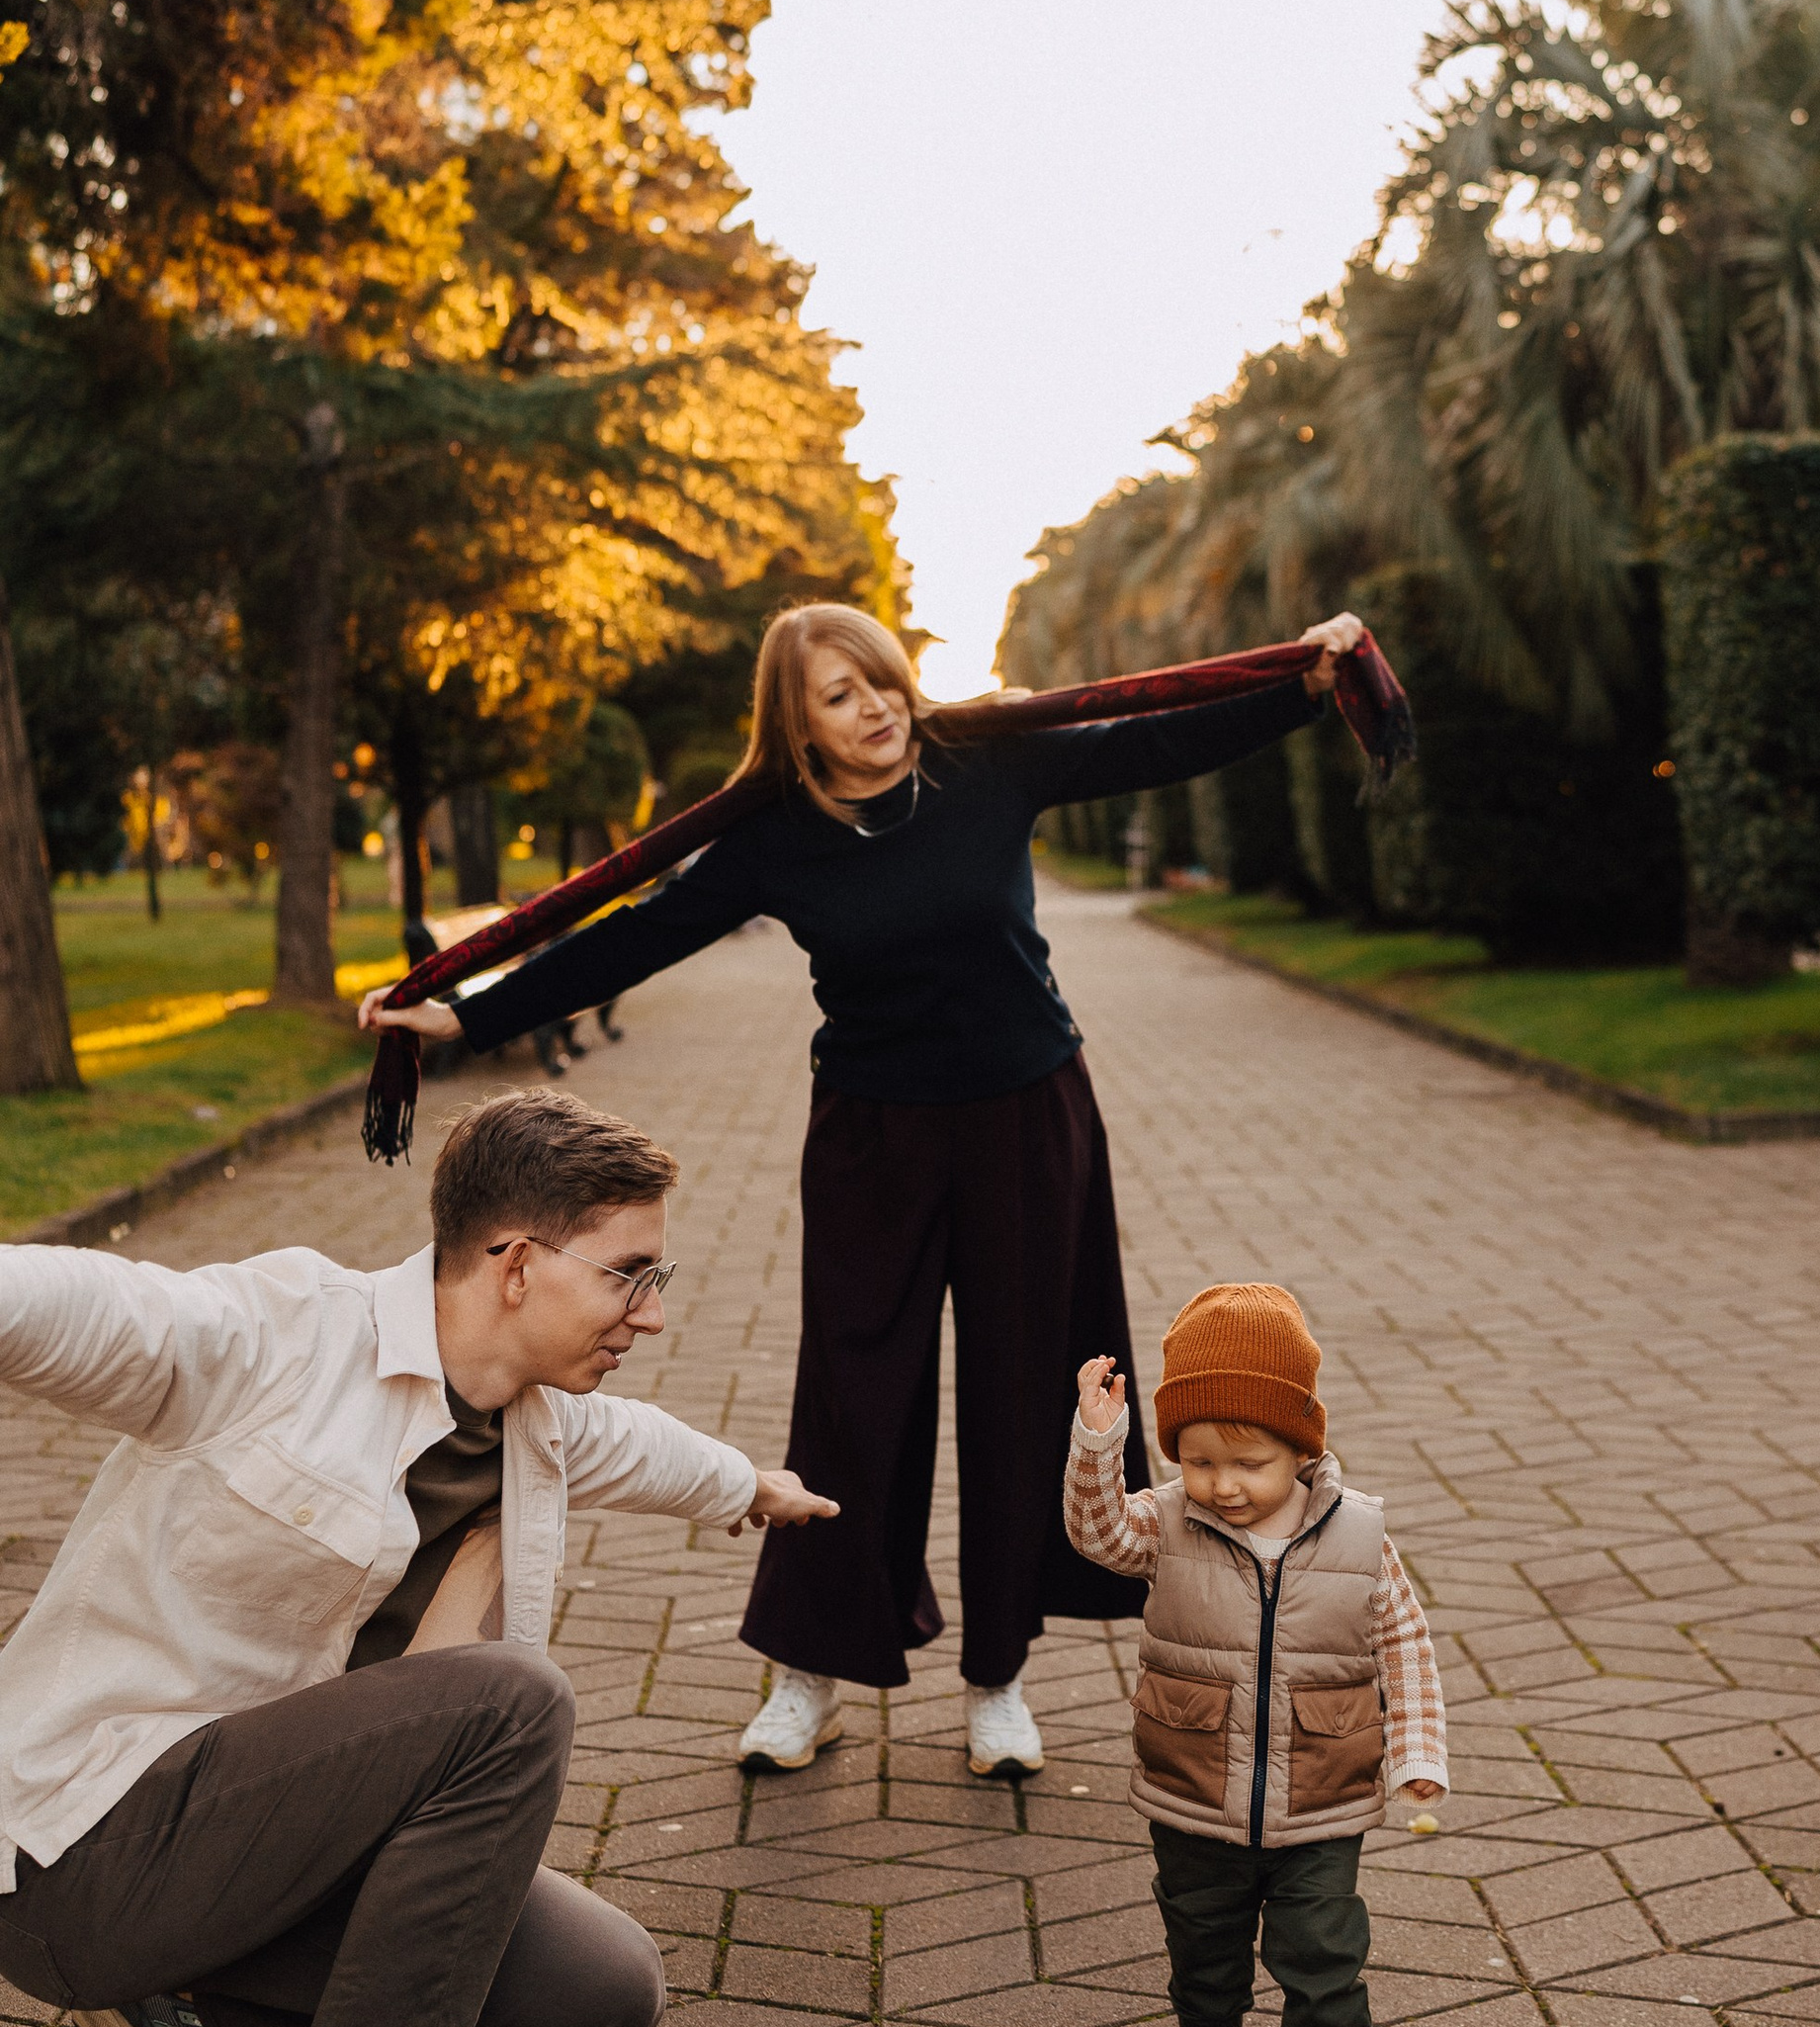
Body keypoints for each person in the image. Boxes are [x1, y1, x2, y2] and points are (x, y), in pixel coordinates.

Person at [366, 603, 1358, 1783]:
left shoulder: (985, 764)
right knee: (853, 1401)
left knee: (1026, 1388)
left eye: (882, 681)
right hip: (870, 1138)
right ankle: (809, 1673)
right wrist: (467, 1015)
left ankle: (998, 1677)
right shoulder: (776, 835)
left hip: (1027, 1116)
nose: (876, 708)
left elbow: (1151, 735)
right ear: (798, 726)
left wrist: (1302, 684)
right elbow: (636, 933)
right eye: (840, 696)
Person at [0, 1092, 834, 2027]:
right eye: (629, 1276)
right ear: (514, 1263)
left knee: (600, 1988)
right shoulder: (279, 1335)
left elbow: (643, 1447)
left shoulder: (536, 1422)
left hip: (229, 1860)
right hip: (79, 1852)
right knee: (508, 1701)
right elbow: (82, 1308)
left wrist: (750, 1488)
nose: (652, 1314)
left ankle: (179, 2007)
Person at [1065, 1281, 1447, 2027]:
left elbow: (1405, 1645)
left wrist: (1417, 1753)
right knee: (1201, 1932)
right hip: (1193, 1785)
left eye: (1248, 1462)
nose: (1223, 1485)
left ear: (1303, 1448)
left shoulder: (1359, 1536)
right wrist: (1097, 1443)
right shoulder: (1166, 1522)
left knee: (1323, 1952)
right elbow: (1095, 1534)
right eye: (1199, 1461)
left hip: (1323, 1794)